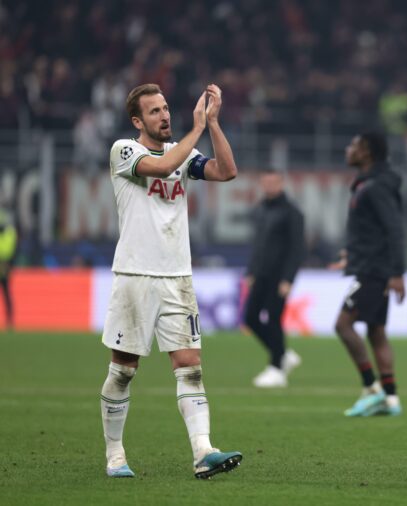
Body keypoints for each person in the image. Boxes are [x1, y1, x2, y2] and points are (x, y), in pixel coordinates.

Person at [100, 83, 242, 479]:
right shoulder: (125, 151)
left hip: (177, 278)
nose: (164, 116)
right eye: (154, 111)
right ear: (137, 120)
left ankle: (203, 452)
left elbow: (226, 171)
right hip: (134, 276)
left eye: (165, 108)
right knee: (124, 370)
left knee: (190, 367)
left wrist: (212, 123)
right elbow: (162, 168)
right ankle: (115, 455)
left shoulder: (184, 151)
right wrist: (196, 128)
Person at [332, 132, 405, 417]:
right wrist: (351, 254)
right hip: (371, 265)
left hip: (375, 270)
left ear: (367, 152)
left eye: (354, 145)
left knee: (343, 325)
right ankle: (391, 399)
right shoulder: (368, 184)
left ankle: (371, 388)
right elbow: (372, 229)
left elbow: (394, 229)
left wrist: (397, 273)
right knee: (376, 331)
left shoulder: (375, 186)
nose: (348, 149)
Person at [243, 168, 305, 388]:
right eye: (265, 182)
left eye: (273, 182)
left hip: (279, 277)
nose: (269, 186)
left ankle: (277, 368)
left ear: (281, 183)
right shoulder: (260, 209)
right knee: (250, 318)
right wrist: (250, 272)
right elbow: (257, 245)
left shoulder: (292, 212)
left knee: (273, 319)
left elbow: (297, 249)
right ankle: (283, 353)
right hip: (260, 274)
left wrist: (288, 279)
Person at [0, 208, 17, 331]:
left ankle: (10, 320)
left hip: (5, 263)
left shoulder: (10, 232)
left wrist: (10, 263)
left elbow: (13, 248)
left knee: (6, 292)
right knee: (6, 293)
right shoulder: (11, 231)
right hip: (6, 263)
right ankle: (10, 320)